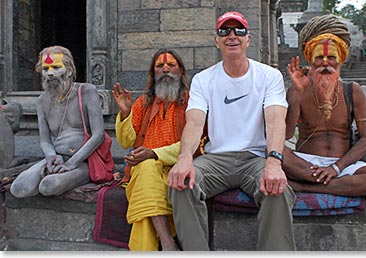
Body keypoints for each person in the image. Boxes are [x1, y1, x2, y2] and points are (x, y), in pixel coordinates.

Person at [167, 11, 296, 251]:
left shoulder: (269, 76)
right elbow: (194, 123)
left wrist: (274, 162)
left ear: (249, 39)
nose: (232, 36)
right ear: (217, 41)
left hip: (254, 158)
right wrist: (184, 159)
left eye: (239, 30)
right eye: (224, 31)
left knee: (278, 191)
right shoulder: (204, 79)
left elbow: (276, 120)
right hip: (217, 159)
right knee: (181, 183)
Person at [283, 14, 366, 197]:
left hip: (342, 165)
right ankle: (339, 186)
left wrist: (336, 168)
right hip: (304, 165)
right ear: (310, 59)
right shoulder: (297, 89)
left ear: (341, 59)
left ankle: (305, 187)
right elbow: (287, 134)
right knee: (271, 153)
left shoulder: (353, 90)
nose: (325, 63)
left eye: (331, 57)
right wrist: (296, 92)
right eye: (319, 57)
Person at [112, 49, 189, 251]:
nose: (165, 69)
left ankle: (162, 243)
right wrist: (125, 112)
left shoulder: (191, 102)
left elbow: (197, 142)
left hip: (177, 169)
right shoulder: (143, 103)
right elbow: (126, 140)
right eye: (159, 66)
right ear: (153, 73)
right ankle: (168, 242)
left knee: (144, 218)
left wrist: (155, 154)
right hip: (143, 170)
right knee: (146, 168)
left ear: (180, 71)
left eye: (171, 65)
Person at [10, 46, 106, 197]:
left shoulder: (87, 91)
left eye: (56, 67)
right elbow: (45, 141)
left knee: (48, 186)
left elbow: (98, 135)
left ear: (68, 70)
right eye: (45, 68)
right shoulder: (42, 101)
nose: (50, 73)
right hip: (57, 158)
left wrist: (71, 163)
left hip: (84, 161)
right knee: (19, 188)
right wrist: (51, 157)